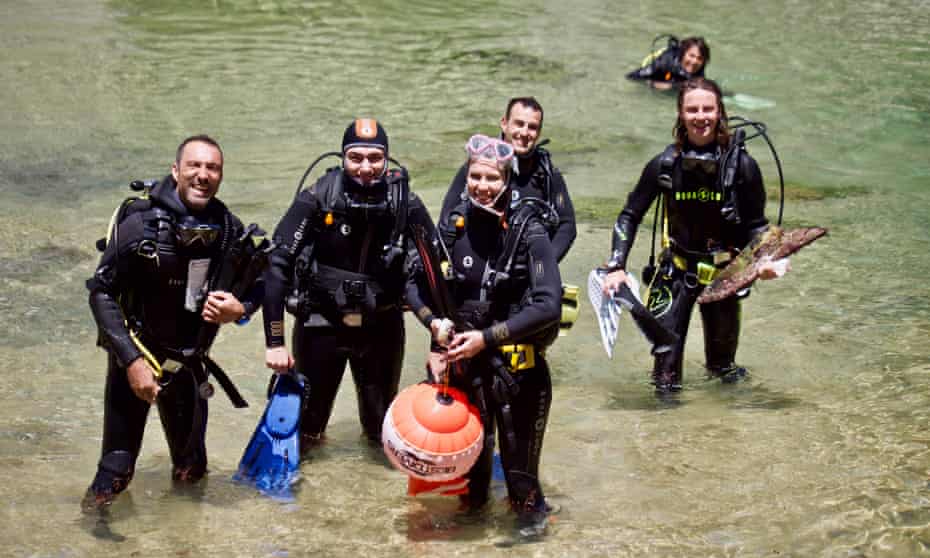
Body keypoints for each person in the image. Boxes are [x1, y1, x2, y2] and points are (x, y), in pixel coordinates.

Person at [83, 135, 263, 509]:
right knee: (115, 472)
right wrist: (131, 362)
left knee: (192, 471)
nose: (203, 175)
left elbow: (263, 284)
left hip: (189, 365)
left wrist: (240, 310)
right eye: (194, 166)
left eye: (212, 168)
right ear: (176, 171)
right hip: (136, 360)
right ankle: (91, 536)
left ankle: (183, 541)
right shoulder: (142, 227)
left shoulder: (228, 228)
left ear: (221, 175)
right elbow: (100, 293)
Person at [408, 134, 562, 534]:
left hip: (519, 377)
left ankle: (535, 542)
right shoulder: (455, 226)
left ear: (507, 181)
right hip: (467, 375)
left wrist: (486, 338)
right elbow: (415, 285)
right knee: (470, 487)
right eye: (475, 176)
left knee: (521, 488)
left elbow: (549, 305)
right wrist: (434, 325)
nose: (482, 185)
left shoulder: (530, 232)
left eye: (492, 178)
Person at [602, 78, 784, 393]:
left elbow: (757, 225)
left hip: (725, 273)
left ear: (720, 113)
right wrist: (616, 264)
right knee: (665, 375)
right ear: (681, 115)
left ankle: (726, 435)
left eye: (708, 109)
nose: (701, 116)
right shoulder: (664, 165)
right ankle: (665, 436)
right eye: (692, 109)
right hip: (676, 272)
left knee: (723, 370)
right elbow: (629, 214)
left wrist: (765, 261)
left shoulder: (743, 167)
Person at [262, 118, 436, 448]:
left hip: (380, 327)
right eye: (356, 158)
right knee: (307, 431)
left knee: (379, 432)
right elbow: (277, 264)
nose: (366, 168)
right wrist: (275, 342)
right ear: (342, 158)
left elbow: (435, 272)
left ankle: (377, 498)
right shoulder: (317, 199)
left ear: (387, 160)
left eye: (375, 158)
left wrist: (439, 347)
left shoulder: (405, 204)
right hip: (320, 324)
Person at [439, 97, 576, 262]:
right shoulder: (481, 165)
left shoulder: (546, 174)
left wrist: (544, 267)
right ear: (504, 123)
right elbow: (446, 219)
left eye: (532, 127)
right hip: (474, 261)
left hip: (525, 269)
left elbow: (567, 226)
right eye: (519, 123)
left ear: (539, 132)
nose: (524, 133)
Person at [626, 36, 710, 91]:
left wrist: (673, 86)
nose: (694, 61)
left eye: (699, 58)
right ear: (683, 53)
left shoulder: (700, 68)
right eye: (691, 56)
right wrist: (652, 83)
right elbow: (632, 76)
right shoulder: (665, 63)